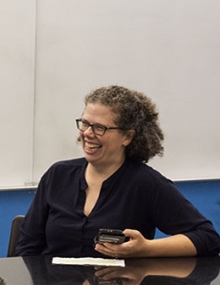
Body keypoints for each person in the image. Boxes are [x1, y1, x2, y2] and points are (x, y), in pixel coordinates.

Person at [15, 85, 220, 258]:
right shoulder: (57, 175)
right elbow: (26, 249)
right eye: (85, 123)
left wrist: (146, 249)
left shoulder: (146, 183)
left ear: (127, 137)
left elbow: (207, 237)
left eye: (100, 127)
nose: (87, 133)